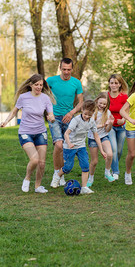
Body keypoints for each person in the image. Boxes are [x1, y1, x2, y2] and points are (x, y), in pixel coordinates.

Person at [0, 74, 55, 194]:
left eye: (41, 85)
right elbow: (14, 111)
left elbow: (50, 114)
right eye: (36, 85)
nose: (39, 87)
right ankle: (27, 178)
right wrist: (6, 121)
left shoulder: (45, 98)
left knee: (41, 162)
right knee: (34, 159)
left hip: (40, 132)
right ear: (31, 85)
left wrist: (51, 118)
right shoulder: (23, 97)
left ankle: (37, 186)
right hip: (26, 132)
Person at [50, 100, 107, 194]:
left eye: (89, 115)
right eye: (85, 114)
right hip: (70, 146)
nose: (87, 117)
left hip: (81, 146)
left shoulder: (91, 121)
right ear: (82, 110)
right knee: (68, 167)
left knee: (85, 166)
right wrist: (69, 144)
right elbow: (66, 133)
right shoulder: (76, 120)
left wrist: (102, 150)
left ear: (93, 113)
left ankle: (84, 187)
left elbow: (96, 136)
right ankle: (57, 176)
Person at [46, 58, 84, 187]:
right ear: (60, 68)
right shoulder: (51, 81)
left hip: (69, 118)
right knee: (58, 145)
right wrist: (47, 112)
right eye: (64, 69)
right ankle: (57, 174)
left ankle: (61, 174)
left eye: (69, 69)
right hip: (54, 117)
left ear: (72, 69)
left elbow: (81, 102)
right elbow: (42, 95)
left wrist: (71, 113)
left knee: (67, 147)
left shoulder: (76, 83)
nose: (66, 72)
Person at [87, 92, 115, 187]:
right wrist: (103, 124)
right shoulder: (92, 112)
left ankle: (107, 172)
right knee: (94, 161)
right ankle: (90, 178)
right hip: (93, 138)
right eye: (100, 103)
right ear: (97, 101)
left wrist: (110, 123)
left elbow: (107, 130)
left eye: (104, 104)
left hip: (103, 136)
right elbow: (91, 127)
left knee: (110, 154)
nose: (102, 105)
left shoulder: (107, 113)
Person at [107, 74, 129, 180]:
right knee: (114, 149)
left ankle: (111, 166)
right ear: (109, 84)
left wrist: (123, 120)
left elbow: (127, 111)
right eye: (112, 83)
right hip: (110, 127)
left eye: (116, 83)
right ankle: (115, 172)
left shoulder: (124, 97)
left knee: (119, 151)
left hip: (121, 127)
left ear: (120, 84)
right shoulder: (106, 96)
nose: (114, 85)